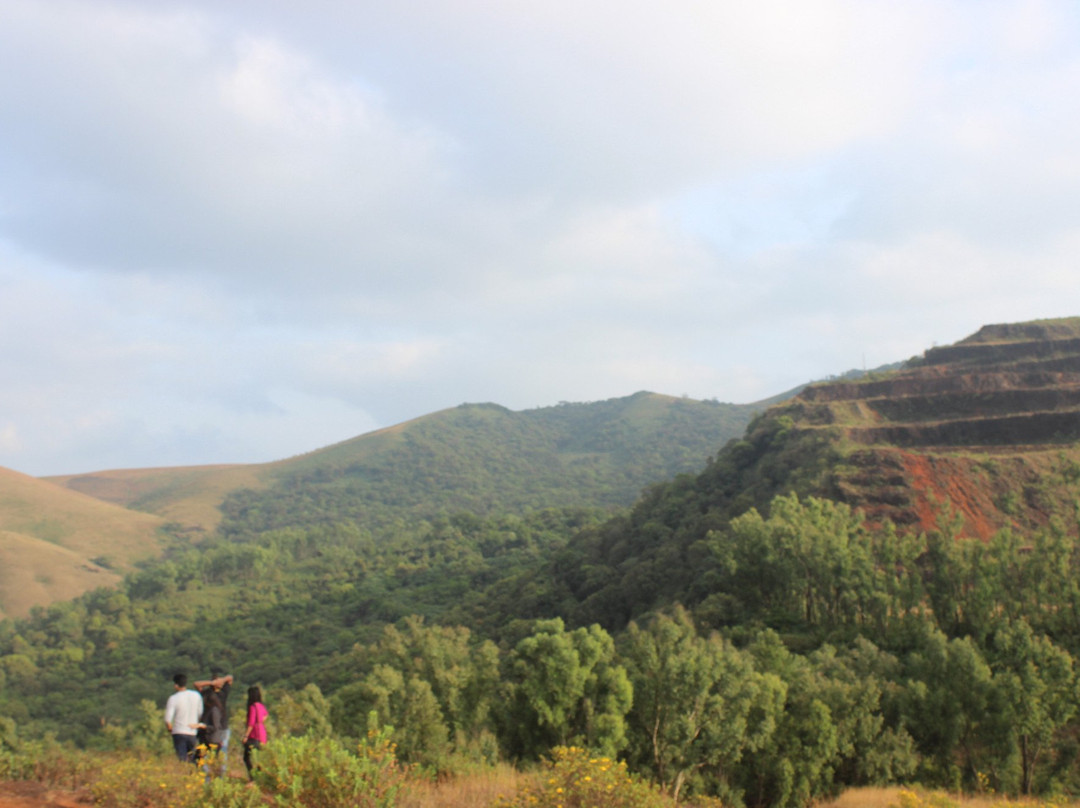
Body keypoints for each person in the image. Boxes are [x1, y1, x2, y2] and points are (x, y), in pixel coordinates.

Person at [194, 673, 233, 774]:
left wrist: (222, 680)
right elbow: (196, 684)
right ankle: (204, 773)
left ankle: (220, 774)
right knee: (204, 753)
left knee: (221, 753)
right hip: (207, 728)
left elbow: (230, 678)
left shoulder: (223, 692)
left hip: (222, 727)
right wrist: (212, 683)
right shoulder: (207, 693)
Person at [164, 673, 203, 763]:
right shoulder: (196, 695)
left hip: (179, 731)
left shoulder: (173, 698)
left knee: (182, 759)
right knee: (194, 758)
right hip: (193, 731)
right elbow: (200, 713)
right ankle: (194, 775)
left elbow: (167, 719)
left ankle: (184, 774)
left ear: (176, 685)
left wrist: (170, 729)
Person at [197, 688, 228, 782]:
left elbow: (215, 727)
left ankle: (213, 781)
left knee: (211, 763)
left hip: (213, 740)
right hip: (209, 740)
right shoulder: (210, 710)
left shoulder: (214, 710)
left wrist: (203, 726)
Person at [241, 685, 268, 782]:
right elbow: (265, 716)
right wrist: (260, 721)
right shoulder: (261, 706)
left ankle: (253, 777)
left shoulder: (253, 707)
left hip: (254, 735)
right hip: (262, 734)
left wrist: (245, 736)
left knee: (246, 757)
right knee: (259, 758)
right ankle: (260, 777)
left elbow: (251, 723)